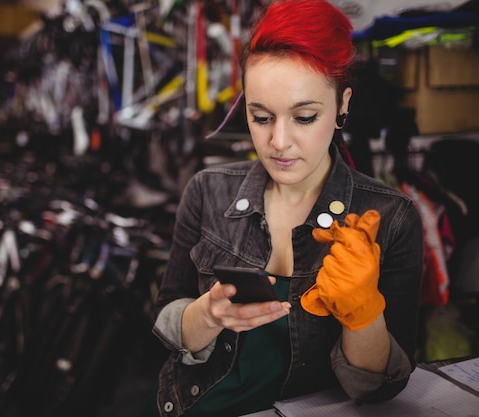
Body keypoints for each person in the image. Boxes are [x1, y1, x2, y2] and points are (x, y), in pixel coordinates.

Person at [144, 1, 425, 416]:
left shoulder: (392, 218)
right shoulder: (207, 190)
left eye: (305, 117)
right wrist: (207, 314)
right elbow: (168, 315)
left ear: (342, 104)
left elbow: (380, 390)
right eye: (261, 117)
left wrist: (363, 315)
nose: (278, 142)